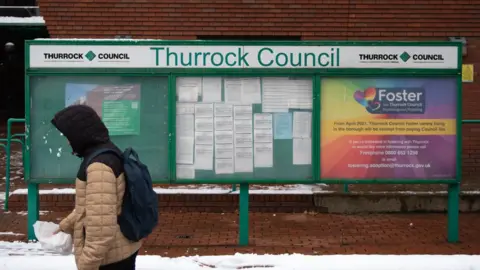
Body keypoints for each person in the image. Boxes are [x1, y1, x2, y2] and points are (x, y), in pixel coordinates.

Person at [51, 104, 142, 270]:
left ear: (79, 134)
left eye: (68, 135)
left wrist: (87, 264)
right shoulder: (106, 152)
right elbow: (95, 206)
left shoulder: (98, 166)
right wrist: (65, 225)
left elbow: (101, 229)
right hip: (121, 248)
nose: (67, 140)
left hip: (109, 258)